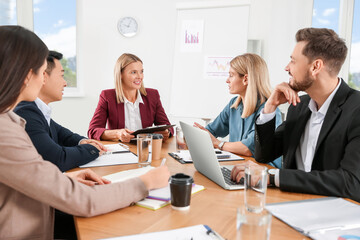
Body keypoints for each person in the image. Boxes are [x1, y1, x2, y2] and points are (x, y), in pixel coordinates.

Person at [0, 25, 170, 239]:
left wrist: (60, 179)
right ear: (26, 75)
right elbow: (82, 200)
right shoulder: (5, 131)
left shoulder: (11, 120)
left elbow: (39, 165)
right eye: (43, 71)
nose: (44, 79)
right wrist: (146, 182)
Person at [231, 28, 360, 202]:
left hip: (330, 215)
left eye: (292, 61)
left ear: (315, 67)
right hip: (290, 203)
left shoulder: (356, 110)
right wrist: (270, 107)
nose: (287, 68)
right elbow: (264, 155)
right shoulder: (299, 105)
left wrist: (272, 177)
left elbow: (351, 182)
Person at [15, 50, 106, 172]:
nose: (65, 83)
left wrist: (83, 141)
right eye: (61, 76)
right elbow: (58, 159)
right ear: (44, 76)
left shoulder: (36, 109)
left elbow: (62, 134)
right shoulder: (25, 112)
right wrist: (92, 149)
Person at [194, 54, 282, 168]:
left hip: (262, 175)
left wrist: (218, 144)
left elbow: (249, 148)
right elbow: (211, 131)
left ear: (245, 79)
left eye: (231, 75)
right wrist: (195, 136)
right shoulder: (234, 104)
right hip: (239, 168)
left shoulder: (268, 111)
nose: (227, 80)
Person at [88, 53, 173, 142]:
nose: (140, 76)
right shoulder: (107, 96)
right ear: (120, 74)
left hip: (146, 148)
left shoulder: (153, 95)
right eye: (133, 72)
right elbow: (93, 131)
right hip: (120, 149)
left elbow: (167, 126)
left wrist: (166, 132)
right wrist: (117, 134)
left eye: (141, 71)